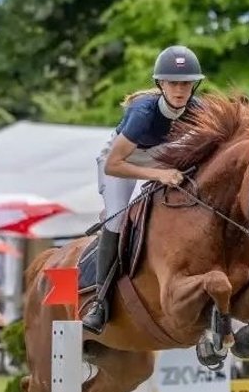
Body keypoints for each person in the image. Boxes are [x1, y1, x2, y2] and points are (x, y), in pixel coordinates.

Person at [81, 44, 205, 334]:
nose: (180, 90)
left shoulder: (198, 111)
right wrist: (157, 174)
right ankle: (100, 301)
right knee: (117, 218)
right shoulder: (143, 113)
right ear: (160, 84)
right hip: (122, 161)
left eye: (186, 83)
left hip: (162, 157)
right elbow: (114, 164)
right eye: (173, 83)